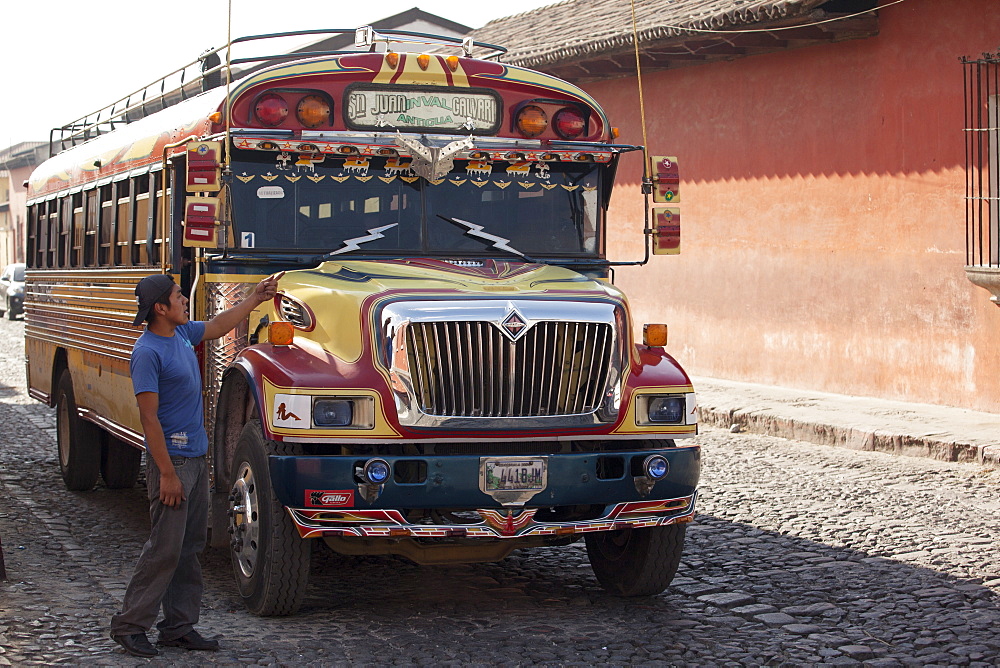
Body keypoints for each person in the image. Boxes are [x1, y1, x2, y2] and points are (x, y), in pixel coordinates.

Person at [110, 271, 282, 658]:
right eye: (178, 296)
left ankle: (178, 627)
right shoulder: (147, 352)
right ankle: (129, 625)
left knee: (189, 547)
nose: (185, 300)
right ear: (160, 308)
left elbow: (221, 324)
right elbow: (149, 418)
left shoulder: (183, 336)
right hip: (171, 463)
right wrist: (167, 474)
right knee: (165, 549)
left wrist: (254, 298)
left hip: (195, 457)